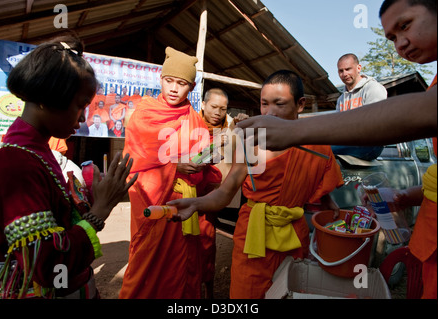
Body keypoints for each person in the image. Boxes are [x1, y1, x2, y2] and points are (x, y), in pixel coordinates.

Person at [236, 0, 437, 299]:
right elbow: (225, 191)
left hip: (350, 164)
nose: (400, 44)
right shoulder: (250, 146)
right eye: (392, 38)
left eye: (405, 25)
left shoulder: (325, 139)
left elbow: (418, 113)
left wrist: (298, 132)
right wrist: (406, 196)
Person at [169, 70, 344, 299]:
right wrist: (196, 203)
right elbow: (225, 192)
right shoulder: (250, 142)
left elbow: (320, 188)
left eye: (279, 104)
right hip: (253, 236)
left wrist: (330, 203)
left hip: (293, 234)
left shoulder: (318, 147)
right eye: (264, 104)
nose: (269, 113)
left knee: (291, 292)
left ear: (300, 105)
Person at [0, 35, 137, 299]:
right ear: (48, 99)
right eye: (80, 106)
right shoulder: (15, 166)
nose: (82, 118)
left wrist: (89, 199)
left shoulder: (38, 156)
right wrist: (101, 210)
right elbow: (47, 265)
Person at [119, 47, 222, 299]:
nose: (174, 88)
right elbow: (133, 159)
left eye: (182, 83)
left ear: (192, 86)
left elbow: (203, 162)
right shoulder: (145, 113)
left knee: (183, 266)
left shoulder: (195, 120)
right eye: (169, 81)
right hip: (154, 203)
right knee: (146, 262)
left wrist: (207, 160)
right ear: (161, 80)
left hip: (185, 205)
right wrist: (174, 165)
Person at [198, 88, 248, 298]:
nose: (218, 113)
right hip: (191, 193)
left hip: (218, 197)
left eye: (223, 109)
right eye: (213, 107)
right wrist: (210, 148)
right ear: (203, 105)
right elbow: (190, 161)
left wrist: (241, 126)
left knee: (207, 244)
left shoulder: (230, 127)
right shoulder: (192, 126)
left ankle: (208, 290)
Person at [332, 53, 388, 161]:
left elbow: (372, 123)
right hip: (348, 143)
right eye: (341, 71)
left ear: (358, 68)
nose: (344, 74)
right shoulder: (341, 99)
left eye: (348, 69)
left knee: (324, 151)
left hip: (370, 144)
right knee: (315, 148)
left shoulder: (373, 88)